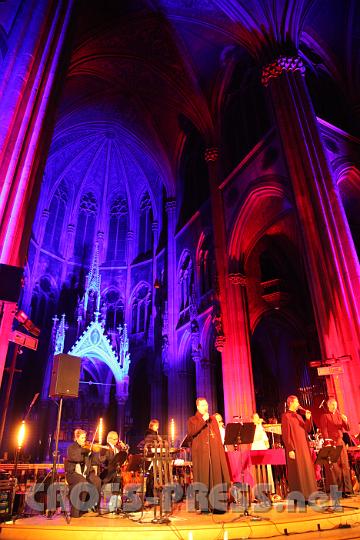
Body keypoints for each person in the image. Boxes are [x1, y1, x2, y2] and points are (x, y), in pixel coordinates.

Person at [187, 397, 230, 512]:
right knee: (203, 477)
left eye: (206, 405)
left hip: (214, 452)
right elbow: (192, 433)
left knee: (215, 476)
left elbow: (217, 436)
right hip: (201, 454)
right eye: (203, 405)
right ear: (198, 407)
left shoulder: (213, 419)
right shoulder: (192, 420)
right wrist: (202, 421)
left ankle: (217, 505)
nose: (205, 407)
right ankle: (204, 506)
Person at [281, 396, 317, 502]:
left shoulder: (299, 417)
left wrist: (308, 418)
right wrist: (290, 448)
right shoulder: (286, 416)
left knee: (307, 470)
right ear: (291, 403)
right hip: (295, 447)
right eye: (297, 402)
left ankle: (310, 495)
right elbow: (286, 434)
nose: (298, 404)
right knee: (298, 472)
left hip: (304, 447)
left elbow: (308, 429)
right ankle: (301, 497)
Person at [319, 398, 353, 497]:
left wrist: (345, 421)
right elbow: (324, 430)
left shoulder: (339, 416)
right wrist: (328, 443)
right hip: (332, 442)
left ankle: (347, 490)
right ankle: (339, 491)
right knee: (336, 468)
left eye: (335, 404)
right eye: (332, 404)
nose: (334, 406)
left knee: (345, 465)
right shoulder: (325, 416)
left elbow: (347, 428)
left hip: (340, 442)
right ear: (328, 405)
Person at [65, 428, 102, 518]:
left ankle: (93, 507)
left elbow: (96, 461)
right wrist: (84, 451)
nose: (84, 440)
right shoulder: (71, 448)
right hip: (72, 473)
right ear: (76, 438)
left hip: (86, 472)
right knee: (83, 482)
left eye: (84, 437)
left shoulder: (87, 448)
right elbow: (76, 458)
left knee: (97, 481)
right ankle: (78, 511)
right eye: (82, 438)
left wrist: (94, 453)